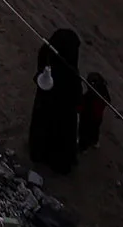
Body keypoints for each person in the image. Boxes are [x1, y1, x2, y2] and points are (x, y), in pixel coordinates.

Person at [27, 29, 83, 174]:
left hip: (44, 103)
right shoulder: (70, 74)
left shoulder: (47, 56)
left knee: (41, 127)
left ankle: (38, 152)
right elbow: (77, 97)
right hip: (62, 113)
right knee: (60, 135)